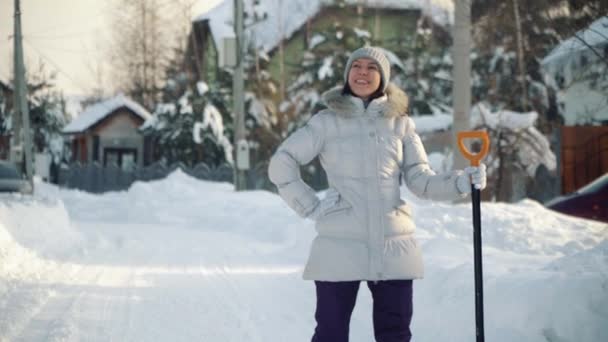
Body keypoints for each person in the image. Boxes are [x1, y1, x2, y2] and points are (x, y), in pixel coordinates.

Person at [268, 46, 486, 342]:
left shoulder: (402, 125)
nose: (362, 72)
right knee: (331, 334)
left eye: (371, 67)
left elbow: (421, 180)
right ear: (347, 75)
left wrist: (461, 183)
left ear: (383, 78)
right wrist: (310, 206)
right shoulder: (325, 122)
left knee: (395, 334)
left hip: (392, 244)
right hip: (339, 244)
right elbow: (282, 163)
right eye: (356, 66)